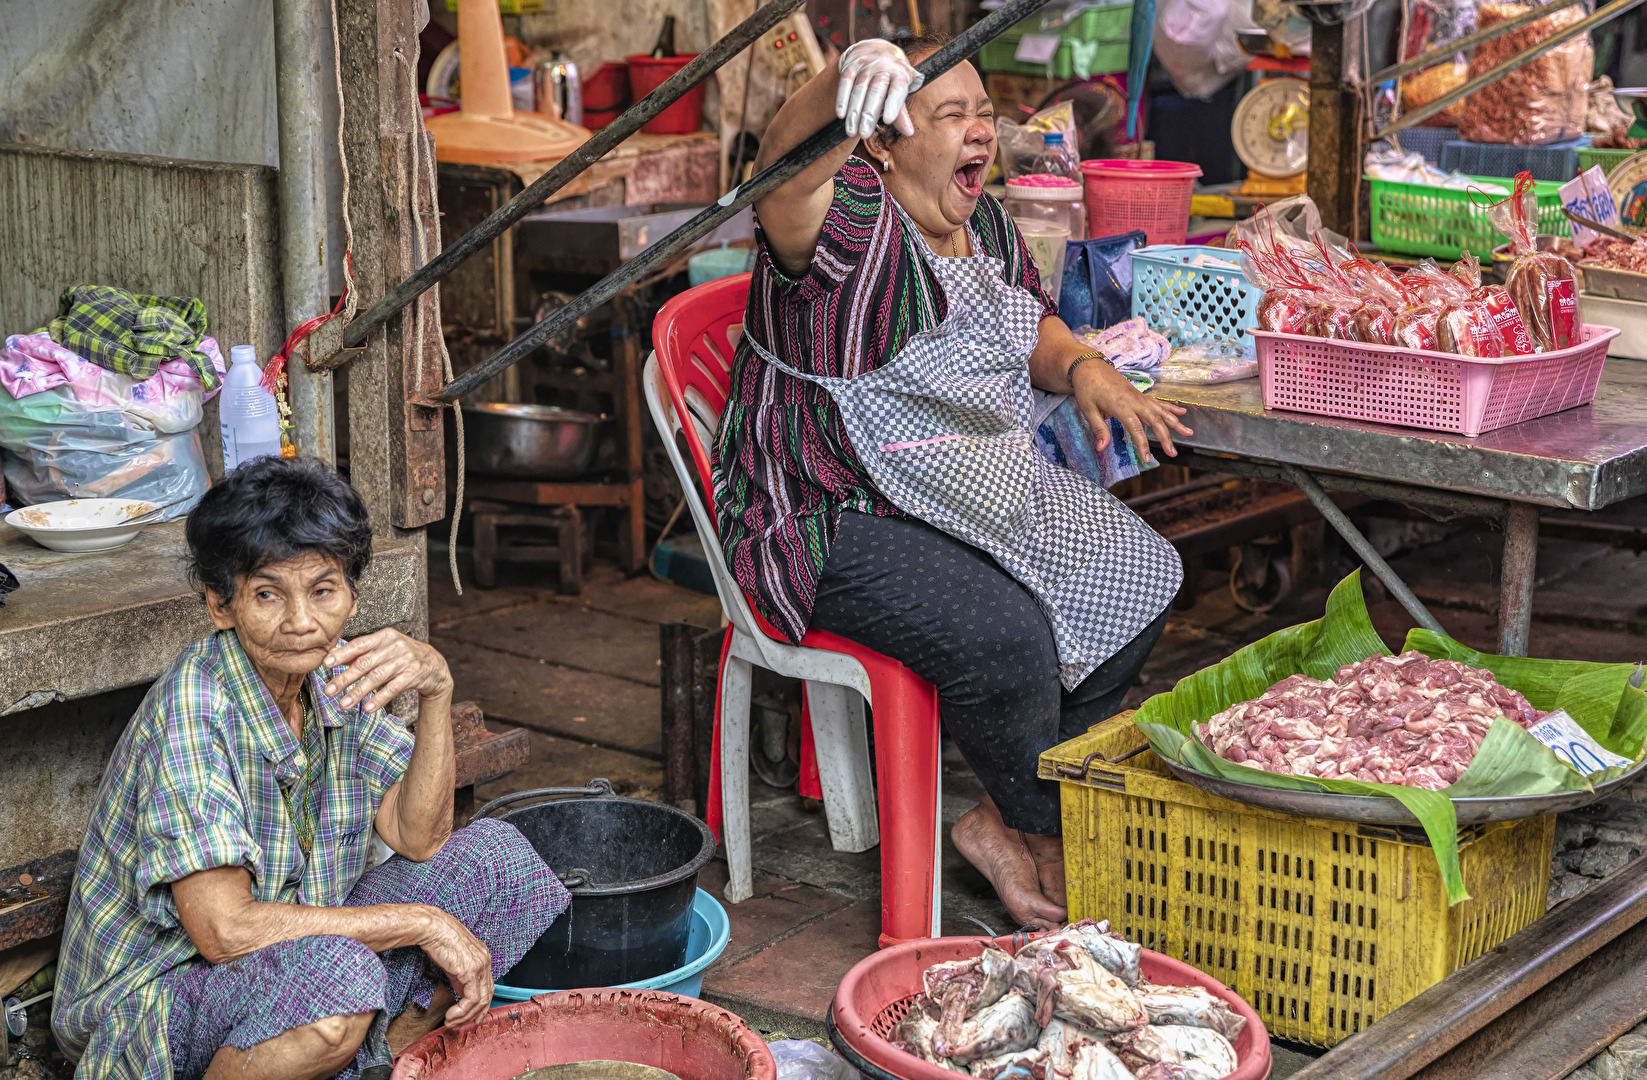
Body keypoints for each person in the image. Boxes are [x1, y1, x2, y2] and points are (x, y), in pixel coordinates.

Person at [714, 31, 1192, 931]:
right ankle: (1042, 836)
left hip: (954, 483)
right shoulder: (844, 221)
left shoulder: (987, 226)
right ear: (883, 142)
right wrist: (838, 80)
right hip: (822, 504)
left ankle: (1000, 814)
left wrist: (1085, 368)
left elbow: (1032, 326)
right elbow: (780, 167)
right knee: (1002, 633)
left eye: (984, 112)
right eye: (948, 115)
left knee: (1139, 573)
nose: (979, 132)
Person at [52, 457, 566, 1080]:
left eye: (323, 590)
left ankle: (364, 1069)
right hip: (153, 1003)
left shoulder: (327, 674)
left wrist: (437, 690)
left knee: (497, 862)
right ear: (222, 605)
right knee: (339, 979)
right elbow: (224, 931)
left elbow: (419, 835)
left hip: (290, 957)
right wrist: (420, 922)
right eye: (268, 594)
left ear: (351, 593)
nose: (301, 621)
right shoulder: (195, 708)